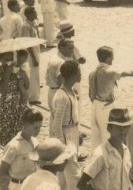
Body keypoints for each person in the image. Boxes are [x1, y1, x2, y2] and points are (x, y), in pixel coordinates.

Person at [89, 46, 133, 151]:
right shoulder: (110, 71)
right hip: (105, 107)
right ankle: (110, 164)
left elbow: (90, 94)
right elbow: (132, 73)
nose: (113, 59)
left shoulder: (92, 73)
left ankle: (96, 163)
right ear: (108, 58)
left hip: (95, 106)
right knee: (108, 139)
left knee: (95, 141)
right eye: (112, 56)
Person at [77, 108, 133, 190]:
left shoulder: (126, 150)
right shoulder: (100, 154)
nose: (123, 131)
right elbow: (82, 183)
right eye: (118, 127)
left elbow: (126, 180)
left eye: (125, 127)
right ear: (109, 128)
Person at [50, 60, 82, 190]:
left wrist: (77, 133)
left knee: (63, 175)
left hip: (72, 132)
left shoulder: (71, 91)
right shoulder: (62, 96)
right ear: (74, 75)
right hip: (65, 136)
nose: (81, 74)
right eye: (79, 71)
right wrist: (62, 146)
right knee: (73, 172)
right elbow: (56, 125)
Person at [0, 108, 43, 190]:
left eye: (40, 127)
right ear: (24, 127)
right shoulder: (13, 146)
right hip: (17, 185)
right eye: (35, 128)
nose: (38, 131)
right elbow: (2, 171)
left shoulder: (35, 141)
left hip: (32, 184)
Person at [0, 52, 29, 146]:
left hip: (20, 104)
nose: (9, 62)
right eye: (6, 59)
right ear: (0, 59)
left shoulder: (18, 69)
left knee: (21, 138)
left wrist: (24, 76)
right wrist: (7, 74)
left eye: (11, 59)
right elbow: (3, 91)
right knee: (7, 139)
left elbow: (27, 86)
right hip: (7, 107)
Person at [22, 6, 42, 104]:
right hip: (31, 52)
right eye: (34, 13)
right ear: (29, 14)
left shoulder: (33, 23)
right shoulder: (26, 26)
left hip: (36, 48)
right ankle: (32, 97)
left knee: (36, 73)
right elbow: (27, 43)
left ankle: (36, 95)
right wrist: (33, 57)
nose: (36, 14)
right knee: (32, 74)